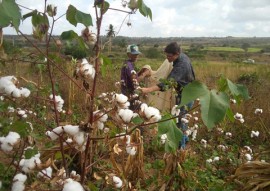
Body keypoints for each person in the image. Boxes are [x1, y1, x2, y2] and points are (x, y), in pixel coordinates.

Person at [140, 42, 195, 149]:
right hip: (188, 93)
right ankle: (186, 139)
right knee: (183, 118)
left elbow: (166, 84)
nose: (167, 58)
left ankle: (181, 147)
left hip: (186, 96)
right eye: (166, 55)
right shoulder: (181, 57)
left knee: (180, 121)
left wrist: (147, 89)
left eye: (169, 56)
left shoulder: (181, 66)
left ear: (177, 54)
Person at [120, 44, 142, 110]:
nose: (136, 56)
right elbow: (134, 79)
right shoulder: (128, 65)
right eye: (133, 54)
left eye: (136, 54)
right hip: (130, 94)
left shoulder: (127, 63)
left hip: (126, 93)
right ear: (128, 54)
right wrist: (143, 75)